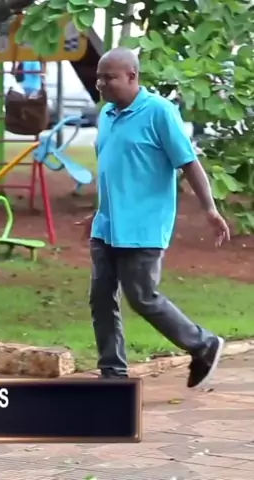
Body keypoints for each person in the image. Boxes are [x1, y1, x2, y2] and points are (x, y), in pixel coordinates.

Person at [81, 47, 231, 388]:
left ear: (132, 77)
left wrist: (209, 208)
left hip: (142, 227)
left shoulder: (159, 112)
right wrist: (99, 209)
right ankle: (113, 372)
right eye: (99, 77)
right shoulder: (107, 114)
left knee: (142, 296)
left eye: (109, 77)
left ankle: (203, 344)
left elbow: (189, 163)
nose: (101, 83)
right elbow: (115, 168)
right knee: (101, 297)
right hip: (106, 225)